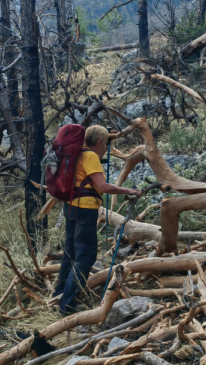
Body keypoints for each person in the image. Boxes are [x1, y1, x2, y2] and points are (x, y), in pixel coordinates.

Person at [54, 125, 142, 315]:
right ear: (100, 142)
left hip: (70, 206)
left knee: (70, 252)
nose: (106, 148)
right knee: (85, 256)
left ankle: (59, 294)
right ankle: (67, 305)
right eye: (106, 144)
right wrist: (129, 190)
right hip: (85, 209)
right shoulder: (91, 156)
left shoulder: (77, 153)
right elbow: (102, 186)